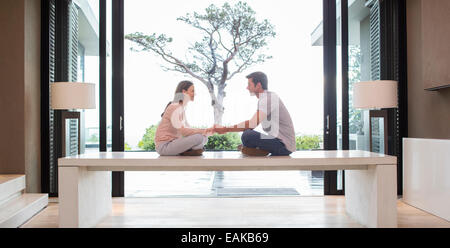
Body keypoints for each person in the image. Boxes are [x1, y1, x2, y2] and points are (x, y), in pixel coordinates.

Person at [214, 72, 295, 156]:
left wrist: (225, 129)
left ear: (258, 85)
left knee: (247, 135)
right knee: (247, 135)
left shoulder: (268, 99)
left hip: (284, 146)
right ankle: (257, 149)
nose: (247, 88)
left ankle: (254, 148)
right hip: (278, 142)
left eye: (249, 84)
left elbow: (251, 124)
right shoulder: (266, 97)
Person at [155, 80, 214, 156]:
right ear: (184, 92)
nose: (195, 94)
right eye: (192, 91)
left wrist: (205, 132)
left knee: (204, 138)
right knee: (199, 137)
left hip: (174, 143)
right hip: (164, 146)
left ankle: (187, 150)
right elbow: (184, 132)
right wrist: (204, 131)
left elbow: (188, 128)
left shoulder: (181, 108)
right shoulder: (174, 107)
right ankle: (189, 150)